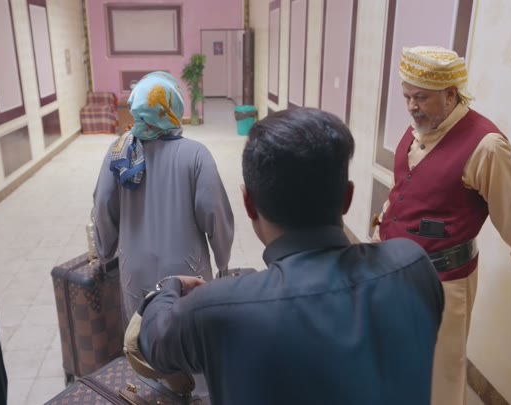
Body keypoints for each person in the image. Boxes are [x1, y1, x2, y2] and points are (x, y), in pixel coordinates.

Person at [132, 108, 445, 404]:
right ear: (347, 198)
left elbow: (154, 342)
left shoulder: (216, 309)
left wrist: (167, 288)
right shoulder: (412, 266)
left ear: (249, 204)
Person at [372, 46, 511, 405]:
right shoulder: (419, 127)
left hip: (442, 280)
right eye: (407, 97)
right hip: (390, 269)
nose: (412, 106)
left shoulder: (487, 146)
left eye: (422, 97)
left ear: (451, 94)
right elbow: (403, 191)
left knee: (440, 373)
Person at [92, 71, 235, 326]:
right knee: (190, 336)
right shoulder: (196, 155)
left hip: (134, 270)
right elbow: (215, 213)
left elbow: (103, 205)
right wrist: (222, 260)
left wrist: (105, 252)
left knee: (141, 336)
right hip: (187, 272)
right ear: (173, 108)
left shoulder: (119, 152)